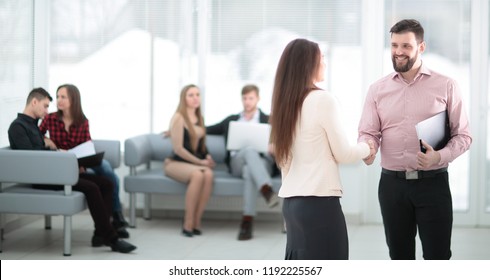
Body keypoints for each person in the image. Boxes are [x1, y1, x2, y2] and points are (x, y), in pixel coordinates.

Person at [358, 19, 472, 260]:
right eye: (394, 45)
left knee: (438, 256)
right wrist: (368, 147)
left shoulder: (446, 86)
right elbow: (369, 132)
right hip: (392, 187)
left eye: (406, 46)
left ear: (421, 47)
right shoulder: (377, 89)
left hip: (433, 184)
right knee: (399, 256)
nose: (398, 52)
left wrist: (439, 156)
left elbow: (463, 135)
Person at [269, 38, 374, 260]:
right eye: (321, 58)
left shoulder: (284, 104)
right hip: (319, 206)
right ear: (308, 64)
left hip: (292, 206)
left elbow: (284, 162)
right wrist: (369, 147)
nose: (324, 63)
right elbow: (344, 153)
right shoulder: (322, 100)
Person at [8, 87, 136, 253]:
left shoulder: (33, 126)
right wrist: (57, 152)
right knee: (92, 188)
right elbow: (32, 160)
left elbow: (40, 152)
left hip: (56, 173)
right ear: (34, 102)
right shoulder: (18, 127)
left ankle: (99, 234)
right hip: (46, 179)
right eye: (45, 106)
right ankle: (111, 238)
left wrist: (55, 151)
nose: (47, 111)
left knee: (106, 183)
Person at [39, 84, 130, 238]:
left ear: (73, 99)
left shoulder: (82, 121)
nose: (59, 100)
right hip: (65, 163)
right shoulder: (51, 118)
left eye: (63, 97)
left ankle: (116, 215)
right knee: (108, 178)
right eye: (58, 96)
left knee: (109, 172)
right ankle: (116, 220)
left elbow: (87, 144)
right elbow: (37, 135)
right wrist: (47, 140)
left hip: (82, 160)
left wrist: (82, 164)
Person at [206, 84, 279, 241]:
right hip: (236, 163)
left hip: (262, 163)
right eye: (244, 98)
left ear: (258, 99)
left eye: (251, 98)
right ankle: (266, 189)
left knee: (249, 171)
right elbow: (206, 129)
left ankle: (247, 222)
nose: (247, 101)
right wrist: (178, 128)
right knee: (248, 151)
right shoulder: (232, 120)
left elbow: (284, 139)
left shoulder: (268, 120)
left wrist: (274, 145)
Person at [164, 84, 215, 237]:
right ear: (183, 99)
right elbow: (178, 149)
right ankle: (187, 223)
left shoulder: (199, 118)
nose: (195, 98)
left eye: (197, 95)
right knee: (199, 174)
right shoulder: (179, 117)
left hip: (193, 163)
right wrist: (200, 163)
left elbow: (201, 147)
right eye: (191, 95)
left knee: (208, 174)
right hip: (175, 163)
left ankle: (196, 222)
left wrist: (207, 157)